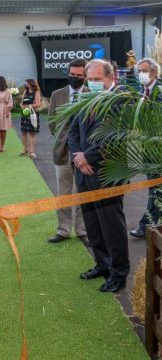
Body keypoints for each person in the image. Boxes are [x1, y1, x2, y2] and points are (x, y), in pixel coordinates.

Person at [68, 59, 129, 293]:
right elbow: (73, 132)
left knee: (112, 227)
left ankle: (119, 273)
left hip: (106, 174)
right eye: (89, 79)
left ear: (110, 78)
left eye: (96, 79)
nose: (91, 83)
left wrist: (88, 157)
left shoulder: (119, 101)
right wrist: (77, 157)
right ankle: (102, 264)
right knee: (93, 225)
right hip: (84, 173)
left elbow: (114, 137)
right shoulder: (84, 99)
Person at [47, 58, 89, 245]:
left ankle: (82, 230)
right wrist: (65, 139)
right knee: (63, 194)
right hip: (62, 153)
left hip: (86, 155)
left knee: (83, 194)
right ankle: (63, 230)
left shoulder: (92, 94)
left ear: (85, 76)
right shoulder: (57, 94)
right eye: (72, 75)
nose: (74, 78)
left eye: (78, 76)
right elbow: (51, 122)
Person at [130, 58, 162, 239]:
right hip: (147, 150)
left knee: (156, 190)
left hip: (158, 151)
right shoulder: (141, 93)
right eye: (139, 71)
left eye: (144, 70)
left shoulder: (160, 92)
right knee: (156, 190)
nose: (141, 74)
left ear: (154, 73)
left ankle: (146, 225)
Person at [20, 79, 41, 159]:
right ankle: (25, 149)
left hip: (33, 114)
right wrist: (22, 105)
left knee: (32, 133)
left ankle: (31, 152)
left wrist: (28, 106)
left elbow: (38, 104)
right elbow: (21, 102)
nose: (25, 84)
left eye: (27, 83)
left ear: (31, 83)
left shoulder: (37, 92)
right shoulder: (26, 91)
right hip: (24, 114)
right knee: (24, 132)